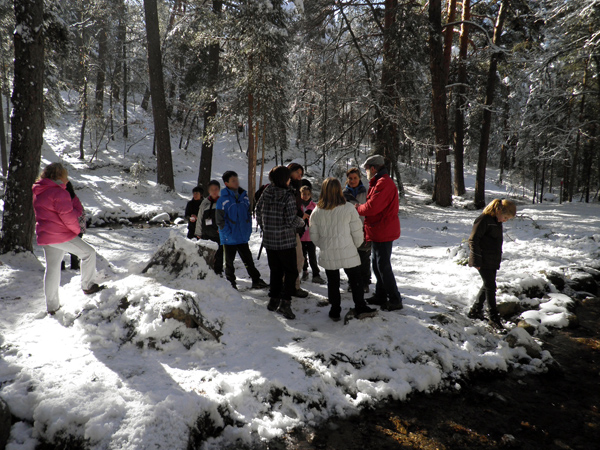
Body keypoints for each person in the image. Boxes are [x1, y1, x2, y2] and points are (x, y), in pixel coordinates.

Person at [32, 163, 103, 315]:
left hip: (46, 236)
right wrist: (76, 231)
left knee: (52, 269)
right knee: (88, 253)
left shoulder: (39, 191)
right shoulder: (59, 193)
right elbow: (69, 216)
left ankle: (52, 306)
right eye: (65, 175)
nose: (67, 178)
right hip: (60, 235)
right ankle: (88, 285)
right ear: (60, 176)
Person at [310, 178, 377, 321]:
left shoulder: (317, 211)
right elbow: (357, 231)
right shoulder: (348, 208)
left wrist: (324, 246)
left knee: (332, 282)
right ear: (339, 190)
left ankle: (335, 310)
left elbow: (314, 235)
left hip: (328, 252)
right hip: (349, 250)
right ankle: (360, 306)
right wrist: (356, 245)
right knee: (355, 279)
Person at [255, 166, 306, 319]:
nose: (290, 180)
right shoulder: (287, 196)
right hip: (285, 242)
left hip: (270, 242)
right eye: (288, 178)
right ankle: (285, 303)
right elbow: (291, 221)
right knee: (291, 272)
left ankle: (273, 299)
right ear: (284, 179)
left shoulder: (267, 192)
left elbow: (257, 211)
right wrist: (302, 222)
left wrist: (266, 228)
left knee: (276, 270)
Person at [356, 155, 403, 311]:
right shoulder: (380, 182)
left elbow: (372, 207)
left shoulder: (383, 183)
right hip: (379, 229)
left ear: (374, 168)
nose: (366, 172)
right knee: (377, 265)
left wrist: (357, 208)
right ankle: (381, 295)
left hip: (383, 229)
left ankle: (395, 299)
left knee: (383, 266)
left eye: (367, 169)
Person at [467, 198, 517, 329]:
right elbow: (473, 240)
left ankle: (475, 311)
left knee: (487, 285)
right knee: (490, 287)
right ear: (498, 210)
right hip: (482, 259)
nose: (505, 220)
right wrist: (477, 260)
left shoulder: (496, 221)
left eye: (507, 219)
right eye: (505, 217)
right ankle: (493, 318)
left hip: (492, 260)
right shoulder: (484, 220)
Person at [216, 170, 268, 290]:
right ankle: (231, 283)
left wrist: (248, 230)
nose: (236, 182)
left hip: (242, 236)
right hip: (229, 238)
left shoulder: (244, 197)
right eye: (233, 181)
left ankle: (256, 280)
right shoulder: (222, 200)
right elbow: (220, 221)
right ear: (226, 183)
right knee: (229, 263)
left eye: (237, 180)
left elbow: (248, 215)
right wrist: (228, 233)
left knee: (248, 260)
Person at [343, 167, 372, 293]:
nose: (353, 180)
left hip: (364, 229)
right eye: (350, 178)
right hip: (348, 231)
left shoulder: (366, 191)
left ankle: (365, 282)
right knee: (350, 258)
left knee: (364, 257)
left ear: (360, 178)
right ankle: (352, 282)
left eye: (355, 178)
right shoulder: (344, 194)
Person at [287, 162, 311, 298]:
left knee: (298, 259)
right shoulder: (287, 188)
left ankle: (292, 286)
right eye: (297, 173)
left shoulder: (295, 188)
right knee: (296, 260)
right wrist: (301, 217)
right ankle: (292, 288)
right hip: (289, 230)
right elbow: (290, 211)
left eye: (301, 174)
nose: (299, 176)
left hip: (295, 229)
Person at [299, 185, 325, 284]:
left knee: (312, 256)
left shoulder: (314, 206)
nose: (306, 196)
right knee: (302, 256)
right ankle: (305, 271)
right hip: (301, 237)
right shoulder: (298, 206)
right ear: (300, 194)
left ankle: (316, 274)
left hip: (311, 237)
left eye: (308, 194)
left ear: (311, 195)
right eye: (304, 194)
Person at [197, 180, 224, 276]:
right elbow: (199, 218)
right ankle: (207, 270)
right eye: (212, 189)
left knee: (219, 253)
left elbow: (226, 218)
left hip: (218, 234)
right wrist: (198, 232)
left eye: (216, 189)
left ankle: (218, 271)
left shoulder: (222, 202)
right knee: (206, 252)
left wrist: (223, 229)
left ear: (219, 190)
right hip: (206, 233)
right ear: (209, 191)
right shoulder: (204, 203)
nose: (214, 191)